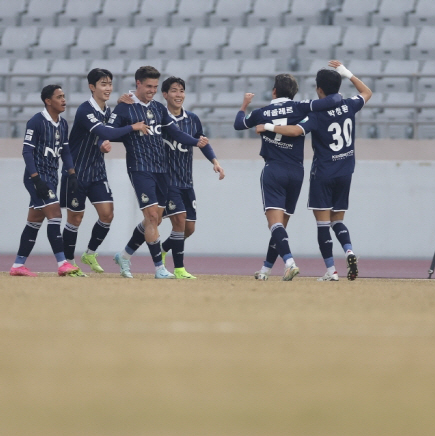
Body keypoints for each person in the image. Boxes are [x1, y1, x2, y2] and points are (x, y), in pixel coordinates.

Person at [256, 61, 372, 281]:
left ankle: (332, 271)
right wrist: (346, 72)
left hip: (323, 172)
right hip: (346, 170)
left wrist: (268, 127)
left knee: (322, 224)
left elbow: (295, 130)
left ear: (319, 89)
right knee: (338, 220)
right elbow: (367, 92)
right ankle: (349, 251)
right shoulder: (349, 105)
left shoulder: (317, 115)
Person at [233, 73, 342, 281]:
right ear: (294, 93)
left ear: (274, 91)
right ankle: (265, 270)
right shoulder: (301, 107)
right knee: (281, 225)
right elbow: (335, 99)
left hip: (274, 169)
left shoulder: (261, 113)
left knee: (274, 225)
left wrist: (244, 104)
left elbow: (239, 124)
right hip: (296, 172)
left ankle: (290, 263)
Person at [106, 65, 209, 279]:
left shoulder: (159, 109)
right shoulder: (125, 107)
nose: (152, 90)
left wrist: (197, 142)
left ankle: (124, 255)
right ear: (138, 84)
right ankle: (159, 268)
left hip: (162, 171)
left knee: (154, 220)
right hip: (140, 168)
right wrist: (131, 128)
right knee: (152, 216)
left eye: (155, 86)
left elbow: (176, 133)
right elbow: (109, 132)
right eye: (149, 86)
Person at [60, 68, 149, 277]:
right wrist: (133, 127)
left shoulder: (107, 111)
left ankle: (90, 253)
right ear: (92, 87)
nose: (107, 88)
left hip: (97, 171)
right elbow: (106, 131)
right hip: (76, 172)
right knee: (75, 219)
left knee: (107, 215)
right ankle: (69, 262)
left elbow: (104, 135)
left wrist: (102, 145)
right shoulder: (85, 110)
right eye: (103, 84)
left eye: (109, 84)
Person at [10, 84, 81, 277]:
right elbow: (27, 151)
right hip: (37, 177)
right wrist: (35, 179)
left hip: (52, 176)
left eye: (64, 96)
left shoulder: (63, 123)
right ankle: (62, 263)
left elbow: (65, 151)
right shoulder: (36, 122)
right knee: (55, 214)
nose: (64, 100)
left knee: (34, 220)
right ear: (48, 101)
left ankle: (18, 265)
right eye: (59, 97)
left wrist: (72, 173)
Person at [159, 76, 225, 279]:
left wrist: (214, 161)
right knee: (178, 222)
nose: (178, 95)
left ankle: (162, 249)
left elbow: (202, 142)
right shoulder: (161, 119)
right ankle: (179, 269)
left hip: (187, 181)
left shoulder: (192, 119)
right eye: (174, 91)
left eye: (181, 91)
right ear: (165, 94)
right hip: (168, 181)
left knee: (189, 229)